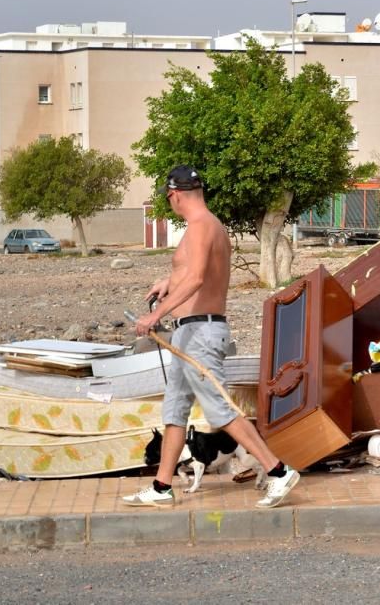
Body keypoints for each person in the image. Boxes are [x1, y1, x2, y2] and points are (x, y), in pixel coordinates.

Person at [122, 165, 300, 509]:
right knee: (175, 410)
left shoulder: (203, 226)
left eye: (169, 198)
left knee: (219, 411)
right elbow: (190, 273)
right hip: (188, 332)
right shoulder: (201, 227)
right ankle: (161, 487)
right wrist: (167, 282)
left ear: (174, 195)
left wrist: (154, 315)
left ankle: (278, 471)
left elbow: (199, 278)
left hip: (202, 333)